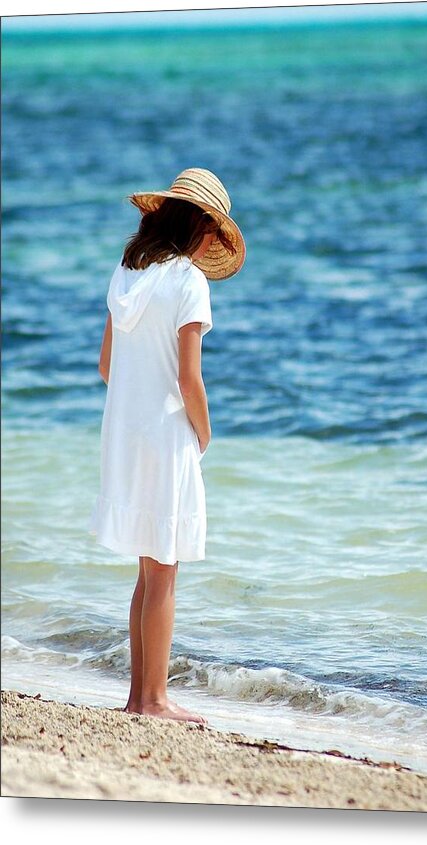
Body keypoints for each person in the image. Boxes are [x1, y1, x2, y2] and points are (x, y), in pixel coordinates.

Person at [89, 168, 246, 724]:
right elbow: (189, 381)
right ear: (201, 226)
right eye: (213, 233)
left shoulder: (127, 272)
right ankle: (153, 701)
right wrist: (203, 433)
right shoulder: (188, 283)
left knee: (147, 570)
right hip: (164, 434)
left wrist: (137, 402)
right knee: (165, 572)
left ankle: (137, 697)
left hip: (123, 434)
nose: (212, 244)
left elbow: (107, 365)